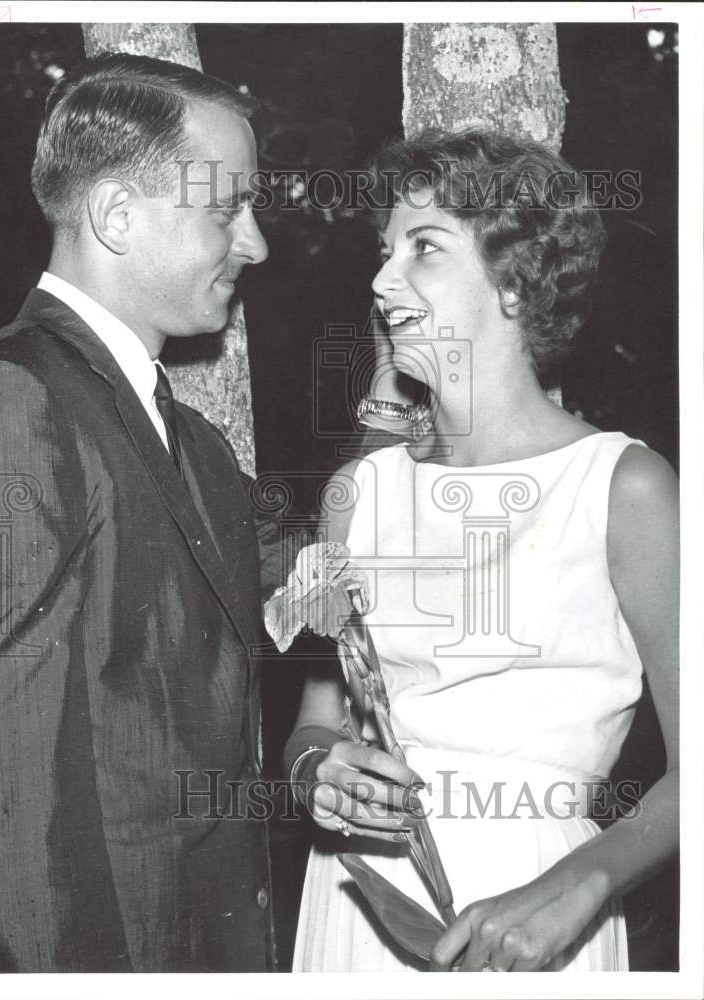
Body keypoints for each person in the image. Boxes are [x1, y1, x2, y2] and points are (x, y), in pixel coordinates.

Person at [284, 130, 679, 972]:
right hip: (358, 892)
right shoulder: (360, 492)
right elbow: (314, 725)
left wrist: (581, 883)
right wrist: (318, 772)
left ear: (514, 280)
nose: (381, 280)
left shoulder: (622, 484)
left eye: (422, 249)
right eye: (383, 252)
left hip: (538, 905)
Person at [0, 54, 278, 973]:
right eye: (226, 208)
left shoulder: (194, 444)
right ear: (117, 217)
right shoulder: (6, 406)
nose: (255, 243)